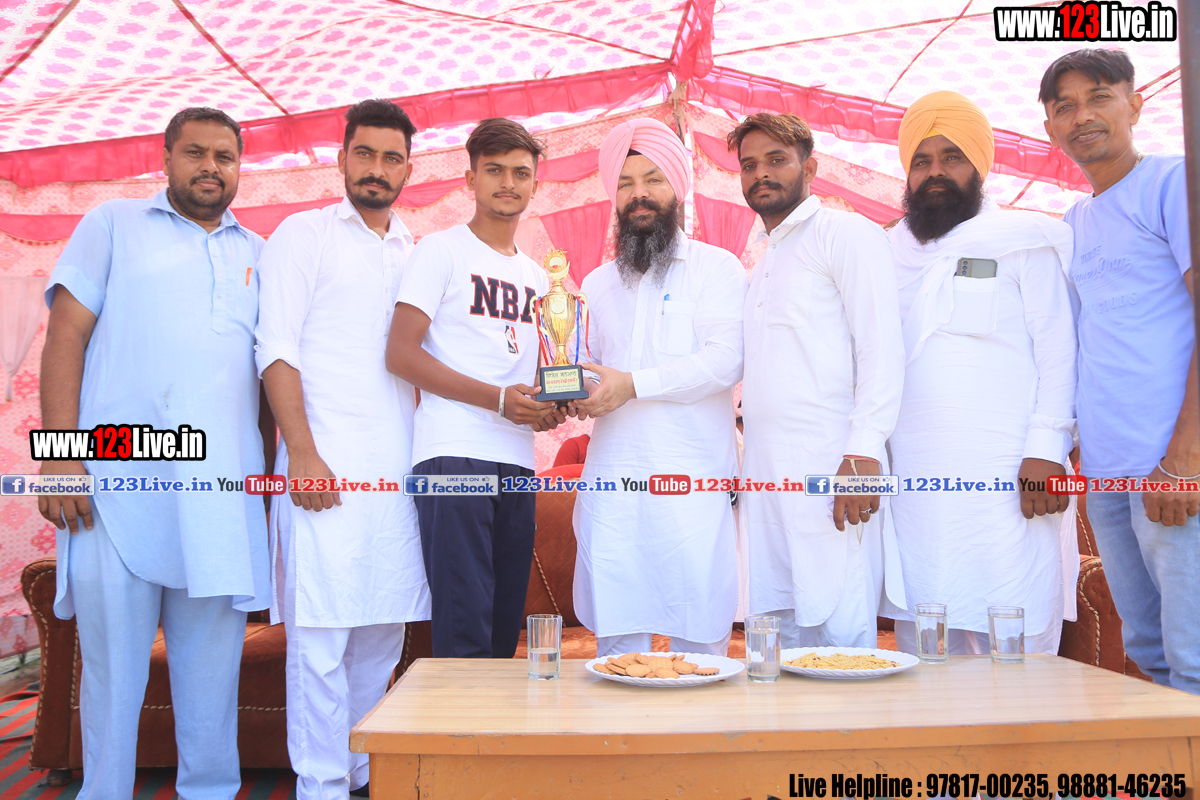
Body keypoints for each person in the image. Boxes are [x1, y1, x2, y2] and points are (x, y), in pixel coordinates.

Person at [37, 107, 271, 799]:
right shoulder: (113, 224)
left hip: (220, 497)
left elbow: (271, 377)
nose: (210, 167)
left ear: (239, 166)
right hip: (116, 487)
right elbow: (65, 336)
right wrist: (59, 456)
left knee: (212, 678)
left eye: (225, 156)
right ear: (165, 158)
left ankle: (210, 791)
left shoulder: (261, 254)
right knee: (113, 674)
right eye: (195, 152)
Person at [255, 99, 431, 800]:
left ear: (409, 169)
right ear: (341, 158)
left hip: (396, 477)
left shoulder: (416, 252)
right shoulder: (304, 235)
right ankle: (321, 785)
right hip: (320, 469)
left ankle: (359, 772)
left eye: (391, 158)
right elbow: (276, 349)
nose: (376, 169)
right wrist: (300, 451)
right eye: (365, 153)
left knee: (381, 635)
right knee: (321, 640)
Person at [886, 91, 1079, 656]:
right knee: (926, 633)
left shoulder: (1023, 242)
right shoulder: (885, 253)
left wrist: (1047, 449)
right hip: (916, 481)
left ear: (979, 166)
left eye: (952, 157)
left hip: (1011, 475)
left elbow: (1060, 352)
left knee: (1012, 625)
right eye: (922, 161)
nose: (936, 172)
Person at [1041, 49, 1199, 692]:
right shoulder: (1073, 223)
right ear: (1050, 127)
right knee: (1149, 655)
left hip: (1173, 468)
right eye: (1065, 106)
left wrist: (1185, 458)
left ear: (1135, 104)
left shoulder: (1174, 183)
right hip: (1106, 476)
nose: (1082, 115)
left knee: (1192, 659)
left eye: (1099, 97)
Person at [567, 118, 745, 657]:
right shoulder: (595, 284)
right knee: (618, 649)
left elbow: (726, 360)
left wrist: (632, 385)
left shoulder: (717, 269)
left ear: (678, 188)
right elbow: (588, 368)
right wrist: (567, 387)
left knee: (701, 647)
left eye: (653, 179)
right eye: (625, 183)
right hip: (614, 483)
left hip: (691, 485)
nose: (638, 194)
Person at [731, 112, 907, 649]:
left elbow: (881, 347)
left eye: (776, 160)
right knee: (777, 625)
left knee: (840, 621)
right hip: (766, 475)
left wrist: (863, 451)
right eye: (749, 165)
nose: (761, 174)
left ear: (810, 168)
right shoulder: (761, 264)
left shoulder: (845, 233)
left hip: (834, 467)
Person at [386, 118, 558, 658]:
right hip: (452, 455)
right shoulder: (440, 251)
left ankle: (494, 718)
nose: (508, 182)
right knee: (464, 628)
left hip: (518, 460)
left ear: (535, 185)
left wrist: (551, 405)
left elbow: (537, 374)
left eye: (520, 173)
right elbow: (401, 354)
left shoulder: (540, 278)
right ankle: (457, 718)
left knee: (504, 630)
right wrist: (499, 400)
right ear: (470, 179)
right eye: (494, 170)